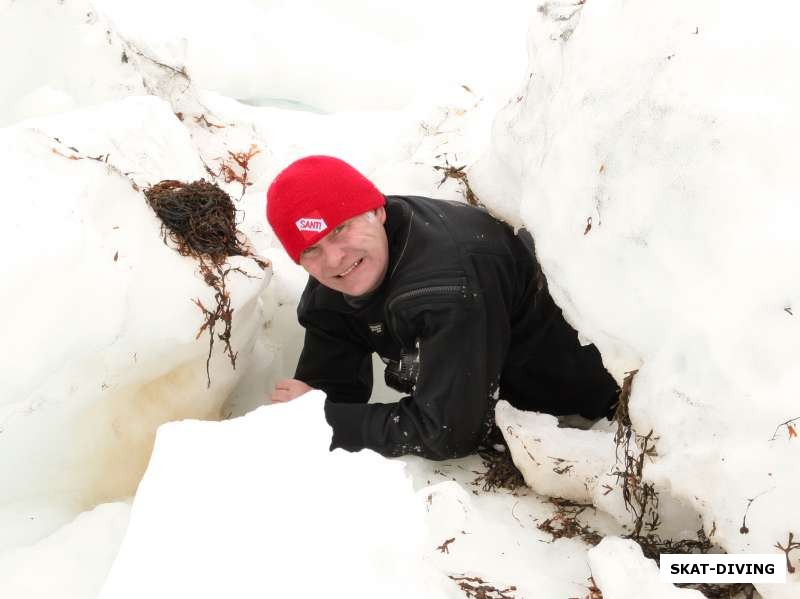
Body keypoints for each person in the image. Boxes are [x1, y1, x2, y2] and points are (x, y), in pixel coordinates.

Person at [266, 155, 618, 459]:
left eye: (341, 229)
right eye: (310, 249)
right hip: (492, 402)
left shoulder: (447, 284)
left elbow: (447, 432)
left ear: (376, 210)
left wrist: (333, 422)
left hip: (586, 414)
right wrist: (312, 414)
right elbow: (322, 401)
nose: (334, 258)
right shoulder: (339, 277)